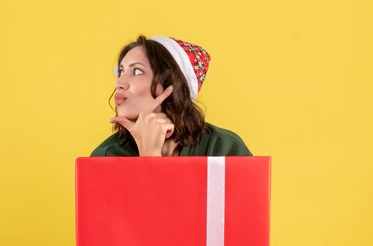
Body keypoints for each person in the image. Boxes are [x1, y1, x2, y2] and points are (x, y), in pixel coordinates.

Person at [90, 35, 252, 157]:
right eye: (121, 71)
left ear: (172, 86)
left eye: (137, 71)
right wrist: (149, 155)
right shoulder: (106, 157)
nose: (119, 83)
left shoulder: (223, 148)